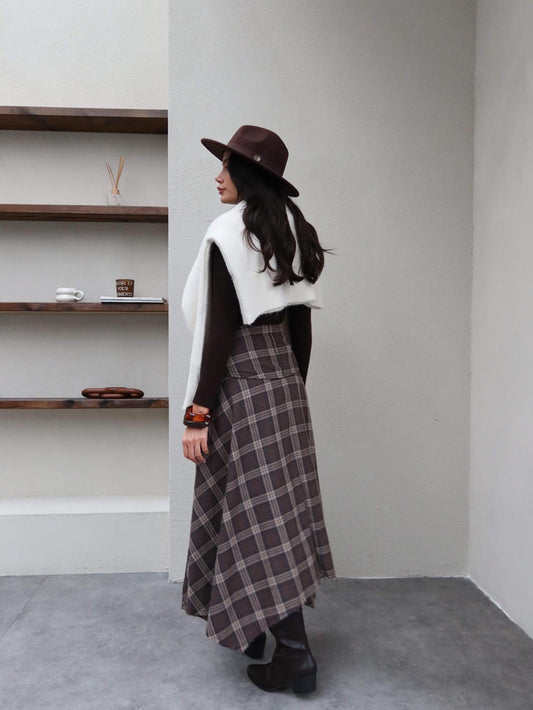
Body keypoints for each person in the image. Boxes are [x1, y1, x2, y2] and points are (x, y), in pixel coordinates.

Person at [181, 125, 335, 694]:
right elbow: (302, 327)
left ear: (248, 173)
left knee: (254, 519)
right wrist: (292, 392)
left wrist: (198, 414)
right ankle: (255, 632)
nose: (217, 176)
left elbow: (219, 331)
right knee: (276, 514)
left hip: (241, 383)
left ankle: (294, 656)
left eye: (226, 166)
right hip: (285, 386)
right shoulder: (294, 228)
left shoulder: (227, 232)